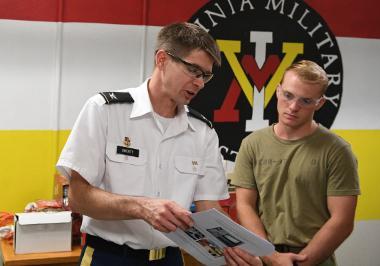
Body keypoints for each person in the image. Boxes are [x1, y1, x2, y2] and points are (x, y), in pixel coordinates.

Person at [56, 22, 239, 266]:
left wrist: (236, 250)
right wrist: (142, 207)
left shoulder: (202, 131)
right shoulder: (105, 111)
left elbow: (209, 209)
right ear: (162, 59)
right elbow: (78, 197)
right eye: (193, 70)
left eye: (205, 75)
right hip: (109, 256)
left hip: (170, 258)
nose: (200, 83)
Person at [230, 60, 360, 266]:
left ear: (320, 103)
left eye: (306, 101)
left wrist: (299, 263)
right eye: (288, 95)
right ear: (278, 90)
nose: (293, 107)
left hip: (313, 258)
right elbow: (245, 205)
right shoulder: (252, 144)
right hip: (263, 255)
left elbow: (342, 222)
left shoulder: (337, 151)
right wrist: (270, 257)